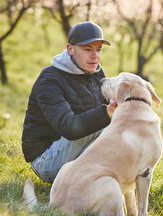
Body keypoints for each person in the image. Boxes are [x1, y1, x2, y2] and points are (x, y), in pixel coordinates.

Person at [22, 21, 117, 183]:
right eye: (88, 50)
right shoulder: (50, 80)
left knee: (120, 123)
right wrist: (106, 113)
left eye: (98, 50)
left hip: (76, 152)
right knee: (104, 123)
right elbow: (69, 127)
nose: (95, 55)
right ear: (70, 50)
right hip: (47, 161)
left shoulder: (95, 72)